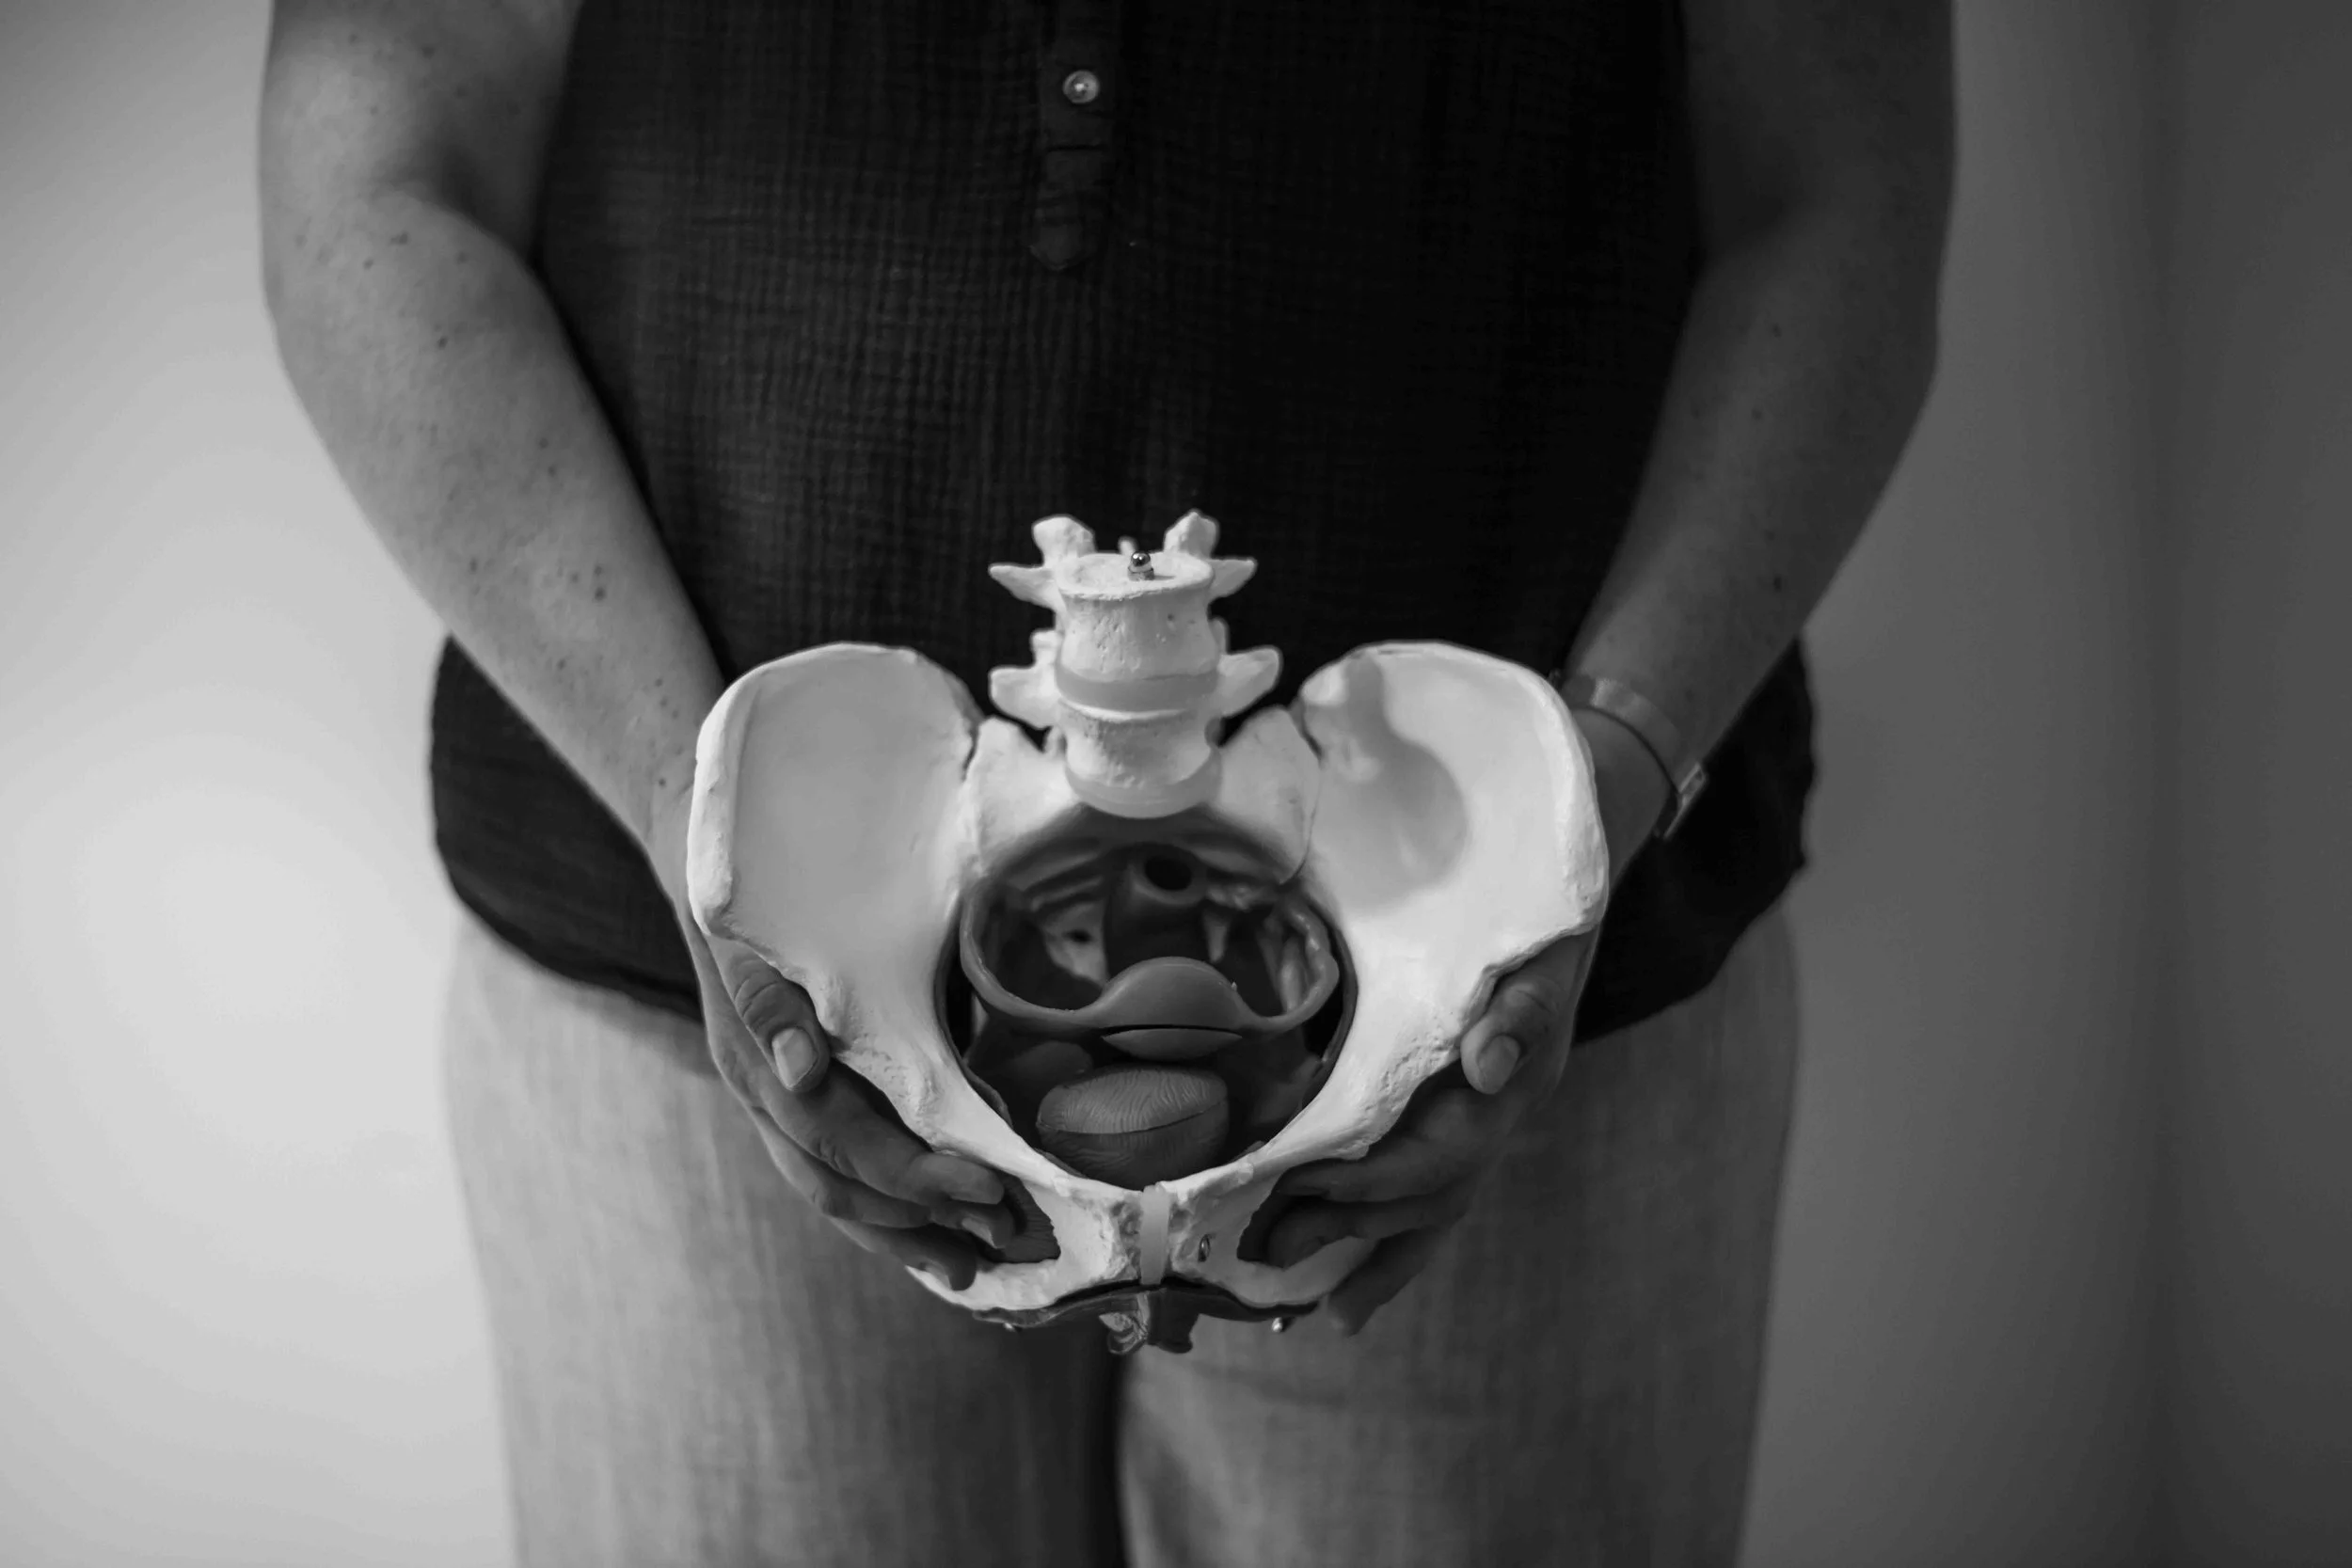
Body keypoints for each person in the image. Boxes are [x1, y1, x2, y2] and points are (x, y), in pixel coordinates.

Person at [260, 2, 1951, 1562]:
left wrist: (1591, 795)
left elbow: (1834, 187)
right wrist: (689, 812)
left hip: (1528, 1046)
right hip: (681, 1036)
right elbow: (383, 173)